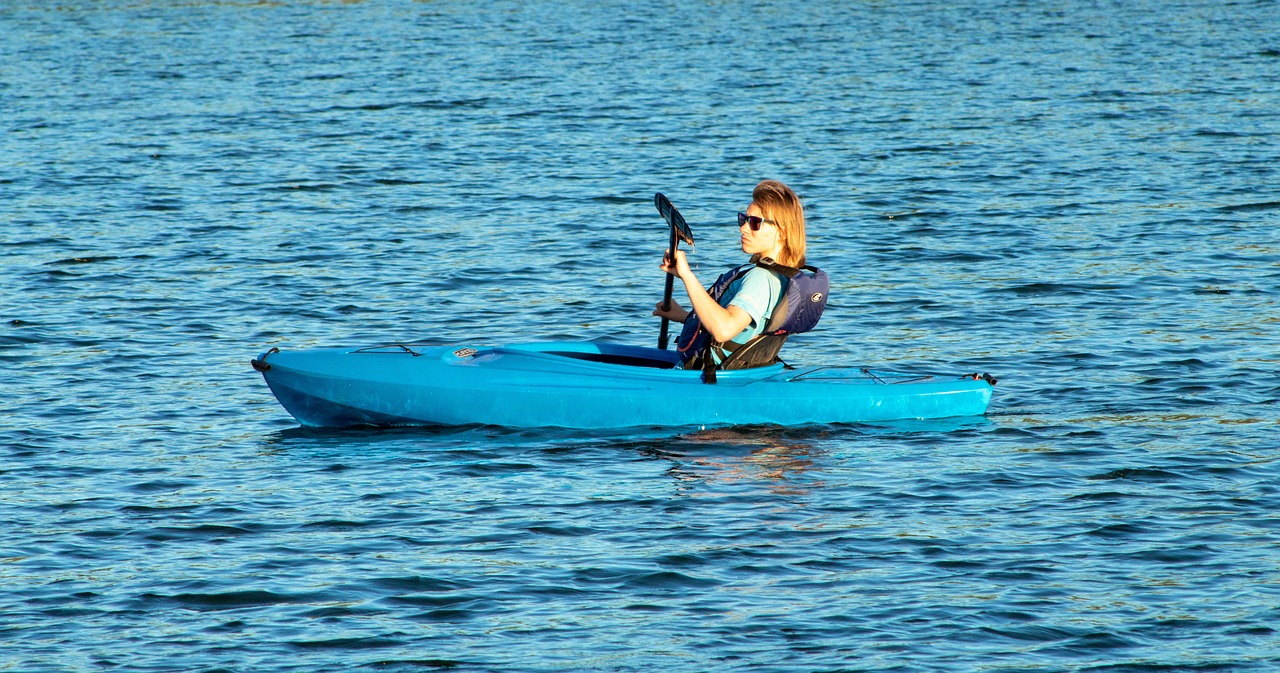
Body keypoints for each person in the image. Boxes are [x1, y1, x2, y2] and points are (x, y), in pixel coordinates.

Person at [653, 179, 809, 370]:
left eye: (754, 223)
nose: (743, 228)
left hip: (709, 377)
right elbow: (739, 332)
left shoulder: (761, 279)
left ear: (782, 232)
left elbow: (723, 329)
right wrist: (686, 317)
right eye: (743, 220)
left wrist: (687, 275)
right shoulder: (781, 276)